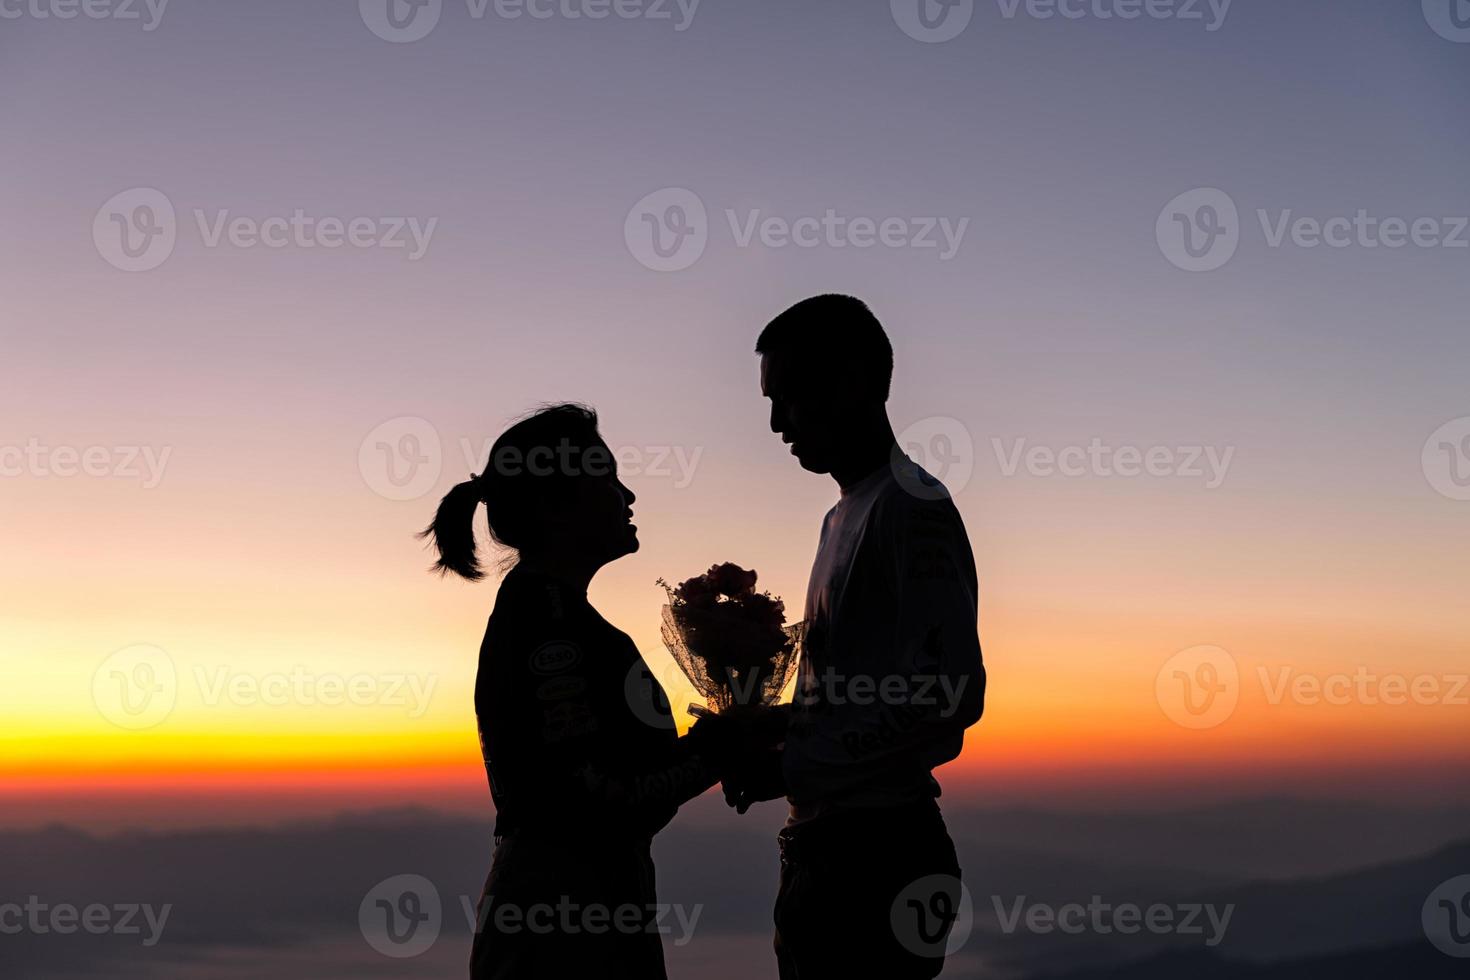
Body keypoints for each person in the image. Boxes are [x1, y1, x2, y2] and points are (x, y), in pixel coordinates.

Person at [420, 403, 753, 979]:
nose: (628, 497)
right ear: (556, 507)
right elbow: (594, 799)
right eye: (607, 478)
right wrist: (718, 751)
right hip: (562, 928)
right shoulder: (549, 626)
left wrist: (721, 744)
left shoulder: (556, 615)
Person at [729, 295, 987, 978]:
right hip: (826, 848)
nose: (779, 422)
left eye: (789, 394)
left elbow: (948, 693)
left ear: (853, 382)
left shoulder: (912, 508)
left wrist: (789, 763)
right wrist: (765, 731)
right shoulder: (842, 513)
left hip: (879, 859)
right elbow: (855, 692)